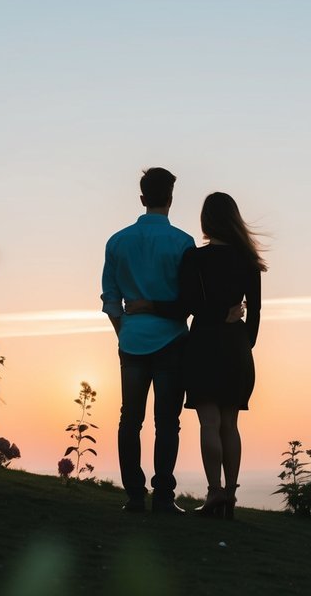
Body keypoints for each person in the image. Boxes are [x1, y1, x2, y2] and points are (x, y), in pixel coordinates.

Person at [127, 191, 266, 520]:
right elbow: (256, 311)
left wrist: (147, 305)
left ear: (206, 221)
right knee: (230, 424)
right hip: (236, 346)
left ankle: (214, 492)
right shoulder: (248, 260)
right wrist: (244, 340)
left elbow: (186, 306)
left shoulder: (195, 258)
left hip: (203, 343)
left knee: (209, 423)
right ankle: (229, 496)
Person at [100, 167, 195, 514]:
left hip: (132, 339)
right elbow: (188, 301)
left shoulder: (117, 241)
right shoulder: (183, 243)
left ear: (142, 198)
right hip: (171, 339)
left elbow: (110, 299)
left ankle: (135, 496)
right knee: (167, 421)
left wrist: (123, 330)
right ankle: (164, 497)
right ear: (170, 198)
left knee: (130, 419)